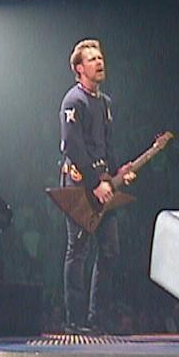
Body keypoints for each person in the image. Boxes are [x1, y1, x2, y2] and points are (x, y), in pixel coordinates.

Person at [59, 39, 135, 334]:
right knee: (78, 249)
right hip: (80, 185)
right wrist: (94, 183)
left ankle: (96, 317)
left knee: (110, 250)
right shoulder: (73, 101)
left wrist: (117, 174)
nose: (99, 62)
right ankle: (74, 319)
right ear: (79, 68)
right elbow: (73, 146)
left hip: (104, 183)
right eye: (91, 59)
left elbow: (107, 145)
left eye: (100, 57)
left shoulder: (105, 103)